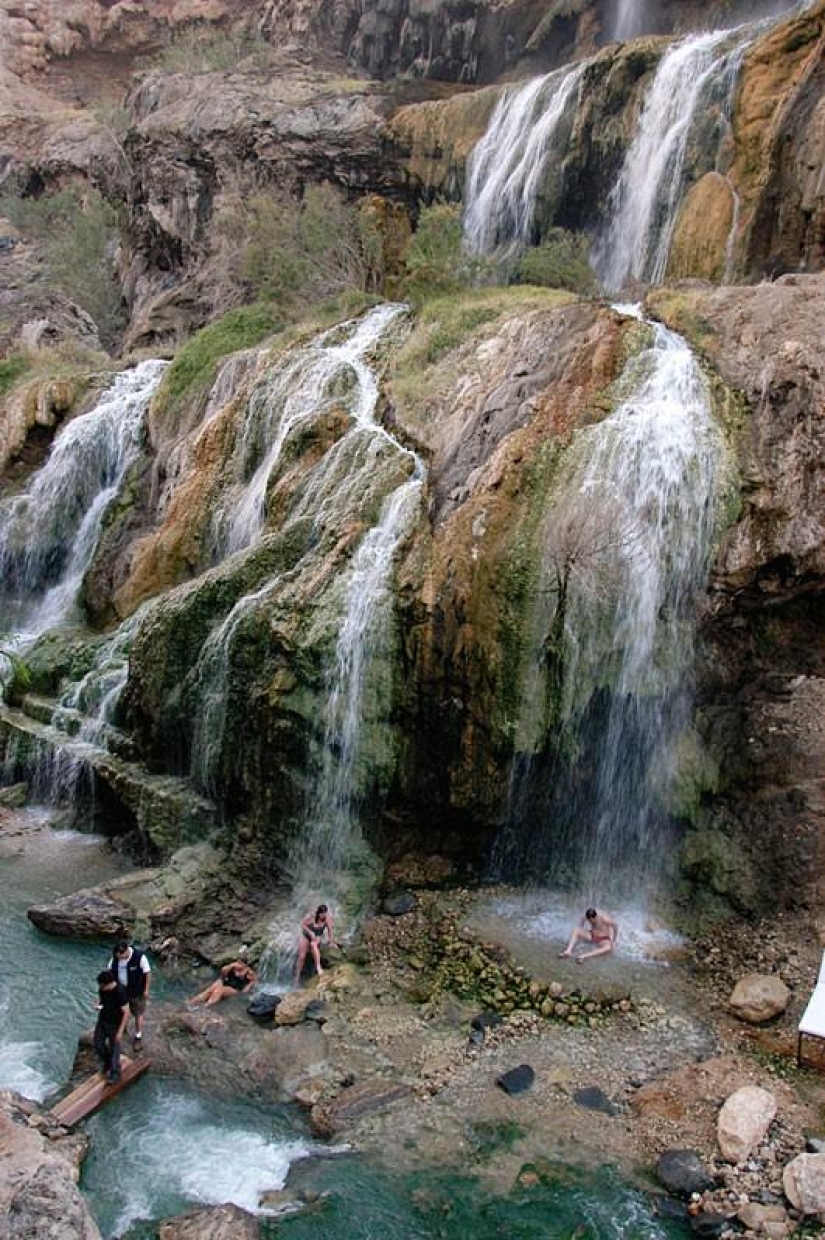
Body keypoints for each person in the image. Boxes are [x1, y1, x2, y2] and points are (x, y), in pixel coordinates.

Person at [109, 939, 152, 1052]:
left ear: (125, 952)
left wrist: (146, 990)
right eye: (116, 956)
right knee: (121, 1011)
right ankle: (123, 1030)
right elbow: (109, 972)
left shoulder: (139, 957)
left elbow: (147, 973)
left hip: (137, 991)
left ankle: (138, 1037)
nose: (118, 958)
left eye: (120, 956)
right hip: (122, 991)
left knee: (138, 1013)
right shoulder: (115, 959)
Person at [94, 969, 129, 1084]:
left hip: (115, 1023)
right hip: (103, 1020)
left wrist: (120, 1031)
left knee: (115, 1049)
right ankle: (107, 1062)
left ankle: (115, 1073)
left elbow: (126, 1012)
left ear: (109, 984)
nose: (100, 988)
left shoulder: (120, 993)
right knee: (98, 1044)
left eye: (102, 985)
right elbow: (102, 1000)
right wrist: (98, 1004)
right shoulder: (102, 989)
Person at [189, 958, 257, 1007]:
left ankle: (206, 1006)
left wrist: (248, 987)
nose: (240, 964)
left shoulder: (249, 972)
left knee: (219, 990)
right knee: (210, 990)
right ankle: (191, 1003)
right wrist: (232, 965)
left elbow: (254, 980)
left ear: (245, 965)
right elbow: (223, 972)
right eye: (239, 962)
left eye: (242, 963)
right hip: (226, 982)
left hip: (235, 988)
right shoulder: (232, 967)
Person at [295, 904, 336, 985]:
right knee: (301, 957)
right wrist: (310, 933)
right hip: (307, 935)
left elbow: (330, 931)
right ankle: (296, 979)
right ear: (318, 913)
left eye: (325, 913)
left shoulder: (327, 919)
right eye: (322, 914)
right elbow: (303, 925)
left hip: (318, 936)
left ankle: (318, 967)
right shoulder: (312, 917)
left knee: (313, 944)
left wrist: (331, 942)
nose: (323, 915)